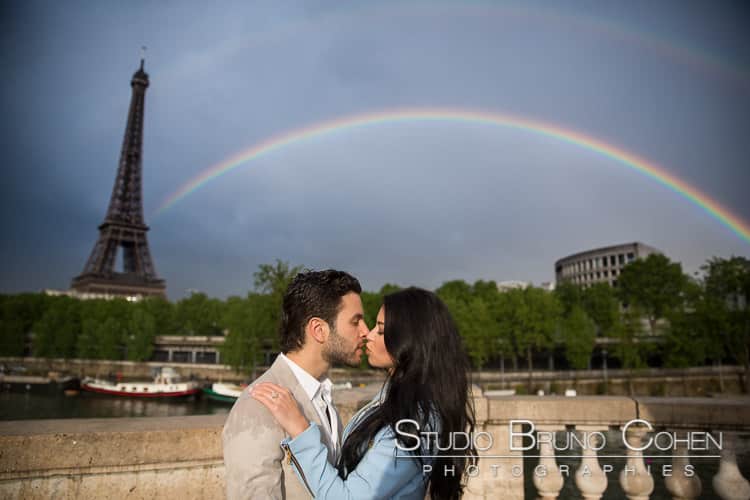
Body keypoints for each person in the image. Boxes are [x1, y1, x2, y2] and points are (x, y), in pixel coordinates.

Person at [252, 287, 476, 500]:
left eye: (380, 329)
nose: (368, 334)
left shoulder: (415, 421)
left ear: (409, 340)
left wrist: (300, 430)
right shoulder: (399, 402)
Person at [222, 269, 369, 499]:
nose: (365, 332)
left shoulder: (322, 395)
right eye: (355, 322)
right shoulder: (257, 407)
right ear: (318, 330)